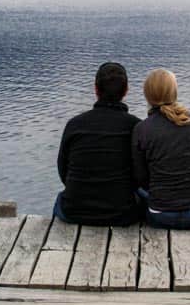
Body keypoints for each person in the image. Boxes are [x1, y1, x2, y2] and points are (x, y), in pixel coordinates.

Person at [54, 62, 143, 226]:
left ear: (96, 89)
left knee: (60, 199)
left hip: (74, 211)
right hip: (122, 213)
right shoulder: (136, 127)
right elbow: (141, 176)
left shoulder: (74, 124)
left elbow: (63, 171)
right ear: (126, 91)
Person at [132, 68, 190, 229]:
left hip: (162, 216)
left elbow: (141, 178)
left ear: (148, 96)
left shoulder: (141, 129)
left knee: (134, 191)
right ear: (174, 93)